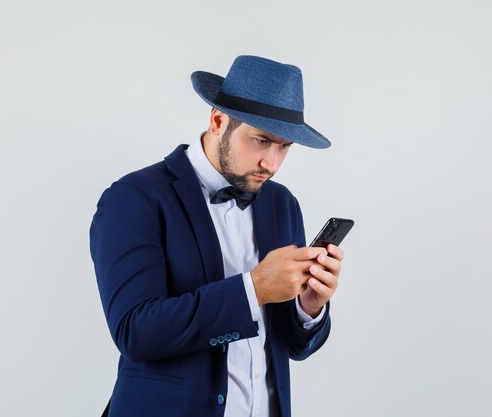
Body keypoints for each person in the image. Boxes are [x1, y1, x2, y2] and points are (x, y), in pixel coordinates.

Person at [89, 55, 345, 417]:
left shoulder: (282, 203)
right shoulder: (134, 198)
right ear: (218, 120)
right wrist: (253, 288)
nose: (271, 163)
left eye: (284, 146)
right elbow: (136, 333)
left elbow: (291, 346)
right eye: (261, 141)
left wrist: (310, 307)